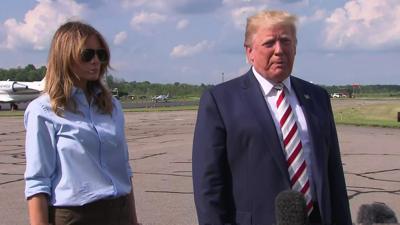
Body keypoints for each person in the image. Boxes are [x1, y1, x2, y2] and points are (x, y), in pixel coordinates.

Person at [192, 10, 352, 225]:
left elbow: (333, 172)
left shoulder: (317, 97)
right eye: (269, 43)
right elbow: (208, 184)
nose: (279, 50)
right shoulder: (220, 101)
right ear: (249, 51)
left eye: (286, 41)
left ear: (295, 47)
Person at [24, 21, 140, 225]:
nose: (96, 61)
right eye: (87, 54)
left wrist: (133, 219)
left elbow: (124, 169)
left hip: (119, 211)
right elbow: (37, 182)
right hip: (76, 216)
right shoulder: (43, 110)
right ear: (65, 56)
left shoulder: (111, 107)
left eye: (101, 54)